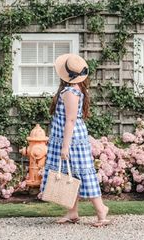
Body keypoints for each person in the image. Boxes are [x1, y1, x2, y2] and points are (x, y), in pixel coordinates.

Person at [39, 53, 110, 227]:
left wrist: (65, 146)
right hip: (67, 138)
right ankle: (72, 211)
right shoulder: (73, 89)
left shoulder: (70, 92)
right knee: (71, 174)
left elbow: (70, 120)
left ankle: (101, 211)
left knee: (83, 173)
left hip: (71, 140)